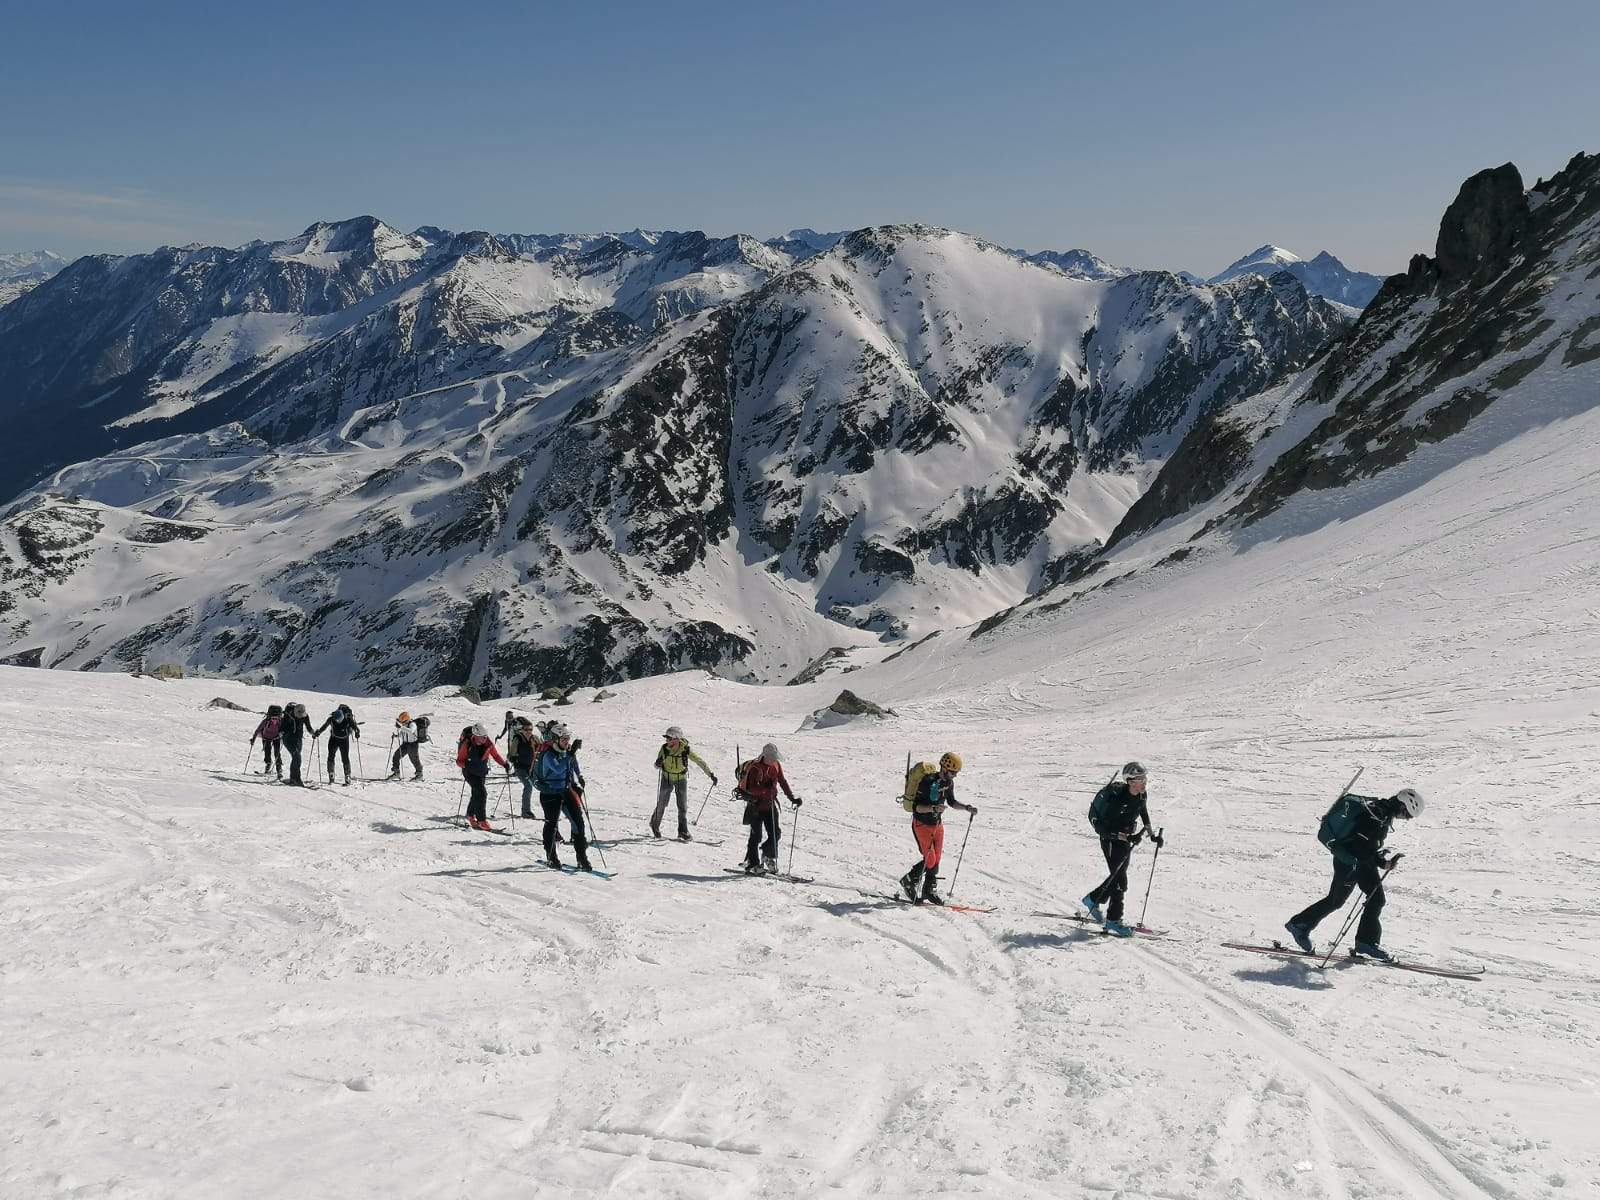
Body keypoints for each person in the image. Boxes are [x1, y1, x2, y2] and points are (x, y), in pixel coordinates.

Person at [1285, 788, 1424, 961]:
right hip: (1351, 862)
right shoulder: (1377, 814)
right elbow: (1360, 846)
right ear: (1403, 806)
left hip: (1355, 862)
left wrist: (1382, 862)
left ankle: (1363, 942)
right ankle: (1302, 926)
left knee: (1357, 900)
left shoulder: (1381, 812)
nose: (1406, 819)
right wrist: (1378, 862)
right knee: (1350, 900)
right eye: (1407, 815)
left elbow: (1367, 846)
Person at [1082, 762, 1163, 936]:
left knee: (1117, 878)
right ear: (1130, 781)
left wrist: (1152, 835)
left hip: (1125, 840)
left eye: (1144, 778)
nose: (1144, 782)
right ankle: (1113, 920)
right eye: (1140, 779)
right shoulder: (1117, 800)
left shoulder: (1141, 795)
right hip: (1111, 841)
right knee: (1120, 882)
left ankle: (1093, 899)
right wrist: (1127, 837)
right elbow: (1103, 830)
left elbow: (1143, 811)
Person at [899, 752, 977, 905]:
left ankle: (928, 890)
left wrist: (966, 807)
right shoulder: (927, 781)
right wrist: (933, 808)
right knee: (930, 859)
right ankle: (909, 880)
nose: (954, 776)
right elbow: (916, 808)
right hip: (922, 825)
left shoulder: (948, 783)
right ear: (945, 768)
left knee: (937, 859)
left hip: (937, 825)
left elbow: (952, 802)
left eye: (956, 773)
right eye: (953, 772)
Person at [534, 723, 593, 871]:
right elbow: (558, 767)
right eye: (564, 739)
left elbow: (572, 764)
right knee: (552, 824)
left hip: (565, 790)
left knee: (578, 822)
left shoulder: (566, 752)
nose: (567, 742)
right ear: (555, 739)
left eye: (568, 738)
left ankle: (582, 857)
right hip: (549, 792)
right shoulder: (548, 754)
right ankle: (551, 856)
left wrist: (577, 778)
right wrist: (571, 753)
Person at [736, 743, 800, 874]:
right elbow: (751, 788)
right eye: (772, 757)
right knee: (756, 836)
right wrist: (766, 788)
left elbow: (782, 781)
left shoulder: (776, 765)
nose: (774, 759)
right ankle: (752, 864)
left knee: (775, 833)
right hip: (755, 807)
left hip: (770, 805)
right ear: (765, 755)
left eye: (775, 757)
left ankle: (768, 856)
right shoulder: (755, 768)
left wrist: (792, 798)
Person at [651, 725, 718, 840]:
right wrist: (658, 763)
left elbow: (699, 761)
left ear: (676, 739)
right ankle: (655, 825)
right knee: (662, 803)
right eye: (666, 738)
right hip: (666, 779)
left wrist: (710, 774)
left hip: (681, 780)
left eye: (669, 738)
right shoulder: (664, 749)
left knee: (682, 807)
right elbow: (656, 766)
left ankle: (682, 831)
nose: (667, 741)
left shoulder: (685, 750)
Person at [456, 722, 507, 831]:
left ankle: (470, 815)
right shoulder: (467, 744)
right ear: (475, 736)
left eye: (485, 737)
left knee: (476, 793)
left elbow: (495, 755)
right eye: (481, 737)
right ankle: (481, 820)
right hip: (469, 773)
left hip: (481, 772)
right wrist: (466, 765)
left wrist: (504, 764)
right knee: (482, 793)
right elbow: (459, 761)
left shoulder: (488, 744)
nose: (484, 739)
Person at [314, 703, 361, 785]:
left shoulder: (347, 719)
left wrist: (357, 732)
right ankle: (336, 775)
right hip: (338, 739)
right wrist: (318, 732)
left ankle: (345, 776)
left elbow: (355, 728)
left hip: (338, 739)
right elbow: (324, 726)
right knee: (334, 756)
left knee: (343, 757)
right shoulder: (332, 719)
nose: (337, 721)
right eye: (336, 720)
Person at [507, 715, 544, 818]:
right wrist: (512, 758)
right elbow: (510, 754)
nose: (529, 731)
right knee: (528, 786)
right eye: (526, 729)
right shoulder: (517, 738)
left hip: (532, 768)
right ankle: (525, 811)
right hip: (520, 768)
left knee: (542, 786)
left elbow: (543, 748)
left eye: (531, 729)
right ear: (522, 730)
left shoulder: (534, 738)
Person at [387, 711, 429, 780]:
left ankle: (419, 774)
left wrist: (401, 727)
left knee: (414, 760)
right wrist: (396, 736)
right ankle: (396, 772)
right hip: (405, 744)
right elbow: (403, 733)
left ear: (406, 720)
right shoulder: (404, 725)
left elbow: (411, 731)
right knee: (396, 756)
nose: (402, 723)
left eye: (402, 721)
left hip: (413, 745)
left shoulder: (412, 724)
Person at [280, 702, 313, 787]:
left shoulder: (305, 716)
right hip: (288, 739)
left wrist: (313, 732)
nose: (301, 716)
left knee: (296, 758)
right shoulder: (288, 716)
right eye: (300, 714)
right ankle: (297, 779)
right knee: (297, 757)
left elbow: (308, 726)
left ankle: (292, 778)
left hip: (298, 739)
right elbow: (282, 727)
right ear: (295, 712)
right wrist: (281, 732)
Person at [250, 705, 285, 777]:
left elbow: (283, 730)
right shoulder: (266, 721)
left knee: (277, 752)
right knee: (267, 752)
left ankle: (279, 768)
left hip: (276, 737)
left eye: (276, 718)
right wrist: (253, 739)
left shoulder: (279, 721)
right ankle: (269, 764)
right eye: (273, 718)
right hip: (266, 738)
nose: (274, 719)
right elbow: (258, 730)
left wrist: (282, 734)